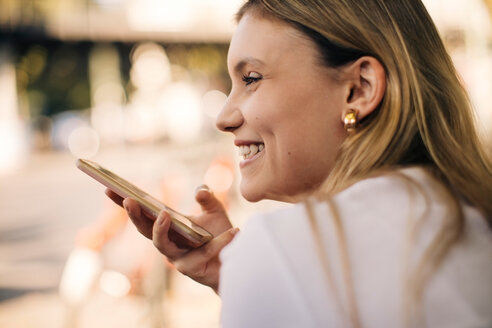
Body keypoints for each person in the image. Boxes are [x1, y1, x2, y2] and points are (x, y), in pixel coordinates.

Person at [105, 0, 492, 327]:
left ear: (359, 90)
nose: (223, 116)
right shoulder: (472, 214)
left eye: (252, 78)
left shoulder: (278, 251)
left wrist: (266, 277)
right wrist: (243, 282)